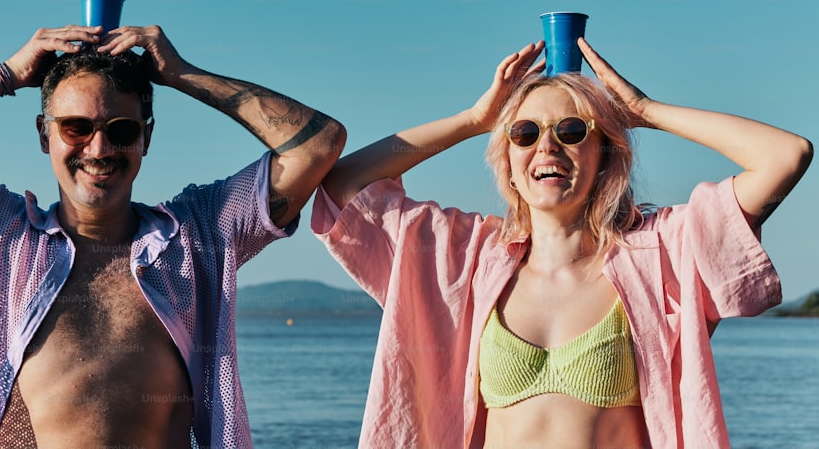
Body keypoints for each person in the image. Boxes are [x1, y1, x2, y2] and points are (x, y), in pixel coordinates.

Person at [0, 23, 346, 449]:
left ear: (146, 137)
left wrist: (182, 75)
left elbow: (317, 142)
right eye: (76, 127)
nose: (99, 148)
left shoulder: (199, 236)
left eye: (122, 129)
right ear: (44, 134)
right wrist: (8, 74)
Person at [312, 38, 811, 448]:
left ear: (606, 154)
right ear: (506, 156)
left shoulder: (662, 254)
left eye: (571, 130)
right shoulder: (465, 257)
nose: (546, 146)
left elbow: (784, 156)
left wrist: (645, 110)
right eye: (524, 133)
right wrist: (474, 119)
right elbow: (343, 184)